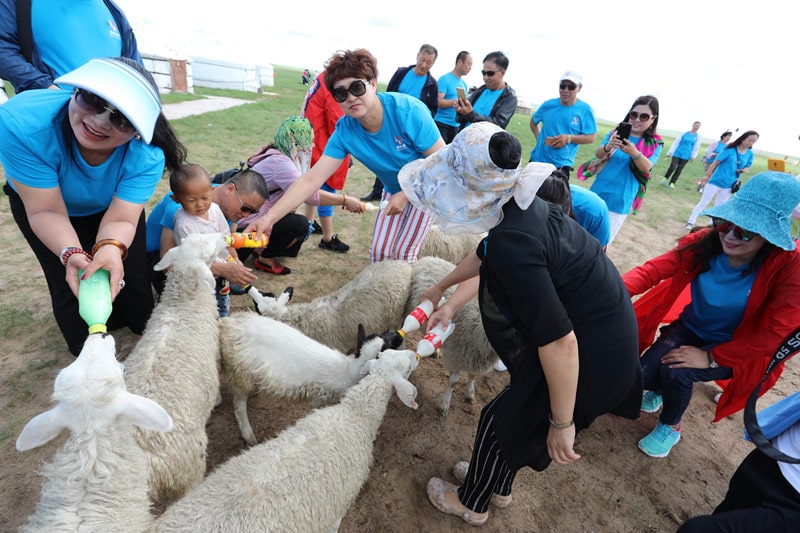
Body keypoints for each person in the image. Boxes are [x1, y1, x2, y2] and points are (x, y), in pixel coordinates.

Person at [397, 122, 642, 526]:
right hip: (597, 338)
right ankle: (498, 486)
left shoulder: (516, 239)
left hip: (591, 355)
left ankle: (471, 503)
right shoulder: (519, 204)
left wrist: (562, 423)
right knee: (516, 415)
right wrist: (441, 289)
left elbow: (560, 342)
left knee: (501, 420)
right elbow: (487, 250)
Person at [0, 57, 186, 356]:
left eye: (122, 118)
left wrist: (111, 247)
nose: (100, 121)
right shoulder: (20, 122)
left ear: (138, 131)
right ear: (76, 89)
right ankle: (88, 355)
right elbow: (46, 211)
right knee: (70, 280)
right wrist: (71, 252)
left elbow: (123, 217)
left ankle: (143, 337)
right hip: (43, 206)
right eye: (93, 99)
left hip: (111, 208)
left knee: (132, 274)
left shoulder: (147, 155)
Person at [623, 171, 800, 458]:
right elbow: (651, 271)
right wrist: (610, 292)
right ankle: (660, 391)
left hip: (736, 346)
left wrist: (712, 357)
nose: (730, 236)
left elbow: (775, 334)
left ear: (770, 235)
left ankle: (671, 425)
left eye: (745, 231)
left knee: (676, 371)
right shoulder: (707, 242)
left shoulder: (789, 266)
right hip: (690, 327)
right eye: (725, 223)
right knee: (642, 376)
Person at [244, 49, 445, 265]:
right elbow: (311, 180)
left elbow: (442, 161)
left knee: (403, 254)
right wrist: (267, 219)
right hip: (393, 189)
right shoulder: (344, 131)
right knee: (379, 253)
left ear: (373, 84)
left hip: (427, 186)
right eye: (341, 94)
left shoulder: (408, 111)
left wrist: (407, 194)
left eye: (357, 87)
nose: (350, 98)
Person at [235, 115, 366, 273]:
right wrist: (344, 200)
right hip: (245, 224)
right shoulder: (282, 164)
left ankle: (259, 248)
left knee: (291, 216)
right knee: (300, 225)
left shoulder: (274, 151)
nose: (313, 144)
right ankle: (265, 259)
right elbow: (310, 195)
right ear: (296, 142)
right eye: (309, 140)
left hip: (246, 217)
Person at [146, 169, 269, 293]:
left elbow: (228, 243)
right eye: (246, 208)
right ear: (230, 189)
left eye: (253, 212)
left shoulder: (223, 204)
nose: (247, 215)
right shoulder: (180, 209)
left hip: (202, 254)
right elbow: (169, 265)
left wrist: (234, 262)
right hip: (159, 258)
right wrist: (221, 269)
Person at [0, 0, 141, 93]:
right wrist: (47, 89)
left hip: (110, 124)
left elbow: (138, 74)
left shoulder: (114, 12)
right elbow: (4, 48)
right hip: (47, 122)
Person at [361, 44, 438, 202]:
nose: (424, 64)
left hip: (412, 130)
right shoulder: (402, 73)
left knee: (409, 161)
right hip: (390, 124)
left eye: (429, 62)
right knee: (384, 158)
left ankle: (408, 193)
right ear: (417, 56)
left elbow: (433, 108)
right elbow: (386, 94)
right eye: (422, 59)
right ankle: (377, 191)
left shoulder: (432, 84)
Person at [589, 95, 663, 244]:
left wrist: (634, 152)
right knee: (579, 236)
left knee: (600, 245)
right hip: (597, 192)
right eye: (634, 114)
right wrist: (608, 146)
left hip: (620, 200)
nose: (637, 119)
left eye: (644, 116)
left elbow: (647, 167)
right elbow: (598, 154)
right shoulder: (615, 133)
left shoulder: (654, 142)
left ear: (653, 119)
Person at [169, 164, 240, 317]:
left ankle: (222, 320)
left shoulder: (214, 209)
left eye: (205, 197)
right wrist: (224, 267)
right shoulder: (184, 224)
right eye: (191, 200)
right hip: (199, 278)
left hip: (221, 271)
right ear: (176, 199)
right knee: (201, 308)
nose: (200, 204)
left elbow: (225, 237)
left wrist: (233, 258)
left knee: (222, 302)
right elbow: (194, 260)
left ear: (212, 191)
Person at [300, 69, 351, 253]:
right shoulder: (335, 84)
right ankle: (328, 238)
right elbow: (339, 120)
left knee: (313, 184)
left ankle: (308, 223)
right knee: (327, 186)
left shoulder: (324, 77)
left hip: (311, 136)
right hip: (321, 141)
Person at [528, 70, 597, 178]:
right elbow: (533, 122)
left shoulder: (585, 110)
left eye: (571, 87)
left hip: (560, 167)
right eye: (562, 86)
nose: (566, 90)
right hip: (537, 162)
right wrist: (539, 139)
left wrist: (568, 138)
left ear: (579, 88)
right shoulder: (548, 105)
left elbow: (591, 137)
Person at [685, 130, 759, 231]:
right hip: (716, 181)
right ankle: (690, 222)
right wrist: (707, 175)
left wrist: (743, 170)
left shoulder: (750, 154)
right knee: (704, 202)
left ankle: (711, 226)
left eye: (753, 142)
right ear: (742, 139)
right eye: (749, 140)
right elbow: (715, 162)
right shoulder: (730, 149)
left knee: (719, 207)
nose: (750, 143)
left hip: (730, 185)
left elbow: (747, 166)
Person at [455, 51, 517, 132]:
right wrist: (461, 111)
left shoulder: (509, 97)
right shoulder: (480, 90)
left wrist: (470, 114)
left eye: (490, 73)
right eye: (483, 73)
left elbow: (498, 124)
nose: (485, 77)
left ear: (502, 73)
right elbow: (460, 120)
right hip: (464, 139)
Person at [434, 51, 472, 143]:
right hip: (442, 124)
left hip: (456, 127)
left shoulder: (464, 84)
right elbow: (438, 102)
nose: (470, 68)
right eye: (468, 64)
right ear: (459, 62)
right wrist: (455, 101)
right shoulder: (445, 79)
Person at [660, 121, 702, 189]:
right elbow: (676, 142)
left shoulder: (698, 137)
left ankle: (672, 183)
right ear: (693, 125)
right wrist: (670, 152)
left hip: (686, 155)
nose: (696, 127)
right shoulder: (684, 134)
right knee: (672, 167)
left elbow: (696, 148)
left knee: (679, 169)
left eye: (698, 126)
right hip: (677, 153)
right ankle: (665, 178)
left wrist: (693, 156)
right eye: (696, 125)